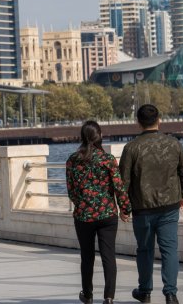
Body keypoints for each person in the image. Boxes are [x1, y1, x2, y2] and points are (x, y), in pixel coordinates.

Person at [119, 105, 183, 304]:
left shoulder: (131, 148)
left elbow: (122, 182)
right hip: (169, 206)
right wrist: (181, 194)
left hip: (142, 208)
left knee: (144, 250)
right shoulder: (174, 144)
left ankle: (145, 291)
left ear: (138, 122)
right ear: (159, 120)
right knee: (169, 250)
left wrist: (123, 207)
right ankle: (170, 294)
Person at [66, 120, 131, 304]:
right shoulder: (108, 160)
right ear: (100, 136)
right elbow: (119, 187)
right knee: (108, 256)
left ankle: (87, 295)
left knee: (87, 257)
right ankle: (109, 297)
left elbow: (71, 191)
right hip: (107, 215)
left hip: (83, 216)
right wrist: (125, 209)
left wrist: (82, 205)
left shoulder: (72, 160)